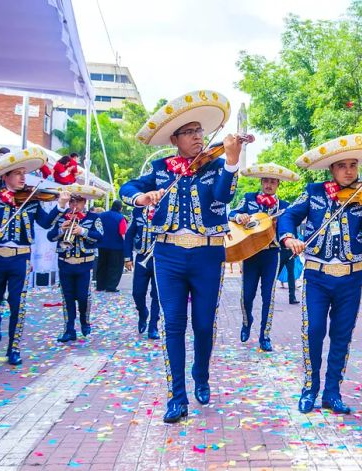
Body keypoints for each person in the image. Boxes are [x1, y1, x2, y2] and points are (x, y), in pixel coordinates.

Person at [120, 89, 244, 423]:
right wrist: (142, 197)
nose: (197, 137)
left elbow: (223, 194)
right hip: (169, 254)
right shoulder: (161, 169)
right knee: (173, 324)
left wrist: (232, 162)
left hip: (207, 255)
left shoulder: (217, 165)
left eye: (200, 131)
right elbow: (127, 188)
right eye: (189, 132)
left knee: (203, 325)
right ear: (174, 138)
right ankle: (177, 397)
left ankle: (200, 375)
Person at [278, 133, 362, 415]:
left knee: (342, 335)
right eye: (342, 165)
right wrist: (288, 236)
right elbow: (289, 215)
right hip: (317, 276)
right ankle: (310, 388)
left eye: (353, 165)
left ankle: (333, 392)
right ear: (331, 168)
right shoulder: (314, 192)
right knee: (314, 331)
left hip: (351, 277)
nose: (349, 171)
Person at [0, 148, 69, 365]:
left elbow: (45, 223)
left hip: (21, 258)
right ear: (5, 176)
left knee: (18, 303)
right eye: (17, 173)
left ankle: (14, 347)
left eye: (23, 173)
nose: (22, 178)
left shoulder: (31, 198)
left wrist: (61, 205)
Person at [229, 163, 299, 352]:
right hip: (250, 254)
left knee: (269, 296)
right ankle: (246, 322)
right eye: (266, 181)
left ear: (278, 184)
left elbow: (291, 226)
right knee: (247, 295)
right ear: (261, 182)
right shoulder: (249, 199)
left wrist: (285, 231)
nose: (269, 185)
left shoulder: (284, 207)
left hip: (272, 254)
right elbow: (231, 213)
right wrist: (240, 217)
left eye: (273, 182)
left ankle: (264, 335)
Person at [47, 185, 105, 342]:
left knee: (83, 296)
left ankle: (84, 322)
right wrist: (61, 230)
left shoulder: (93, 218)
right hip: (65, 263)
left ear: (84, 202)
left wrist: (82, 231)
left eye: (77, 202)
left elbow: (100, 237)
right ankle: (69, 329)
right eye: (71, 202)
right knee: (68, 297)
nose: (74, 205)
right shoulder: (62, 217)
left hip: (84, 264)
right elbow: (50, 236)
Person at [124, 206, 160, 339]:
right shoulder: (137, 211)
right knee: (137, 292)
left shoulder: (166, 207)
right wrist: (127, 257)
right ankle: (143, 312)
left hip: (160, 259)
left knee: (157, 295)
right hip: (142, 257)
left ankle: (153, 326)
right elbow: (129, 234)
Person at [95, 200, 127, 292]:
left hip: (102, 245)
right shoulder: (121, 217)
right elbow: (123, 232)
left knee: (102, 265)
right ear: (120, 208)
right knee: (115, 266)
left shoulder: (101, 215)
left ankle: (100, 285)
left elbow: (97, 228)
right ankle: (111, 286)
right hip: (116, 246)